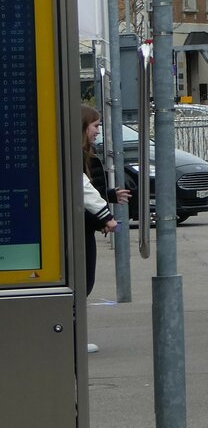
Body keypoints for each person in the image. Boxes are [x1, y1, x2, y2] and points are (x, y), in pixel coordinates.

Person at [81, 104, 131, 354]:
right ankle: (74, 338)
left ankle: (75, 337)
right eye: (96, 126)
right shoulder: (77, 155)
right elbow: (83, 193)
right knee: (82, 284)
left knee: (84, 285)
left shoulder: (85, 154)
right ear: (83, 127)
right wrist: (105, 218)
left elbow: (90, 192)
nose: (98, 131)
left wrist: (109, 196)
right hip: (80, 231)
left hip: (85, 228)